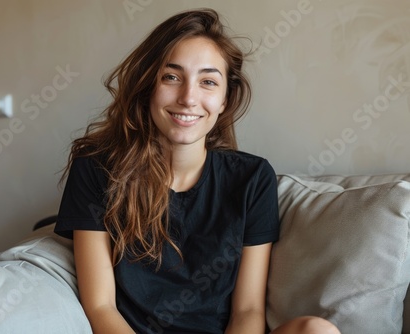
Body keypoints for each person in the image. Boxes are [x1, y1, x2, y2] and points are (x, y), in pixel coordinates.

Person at [55, 8, 340, 334]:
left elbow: (247, 311)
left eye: (207, 82)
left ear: (224, 99)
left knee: (317, 329)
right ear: (148, 85)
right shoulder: (96, 170)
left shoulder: (252, 178)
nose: (189, 98)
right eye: (172, 77)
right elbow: (100, 306)